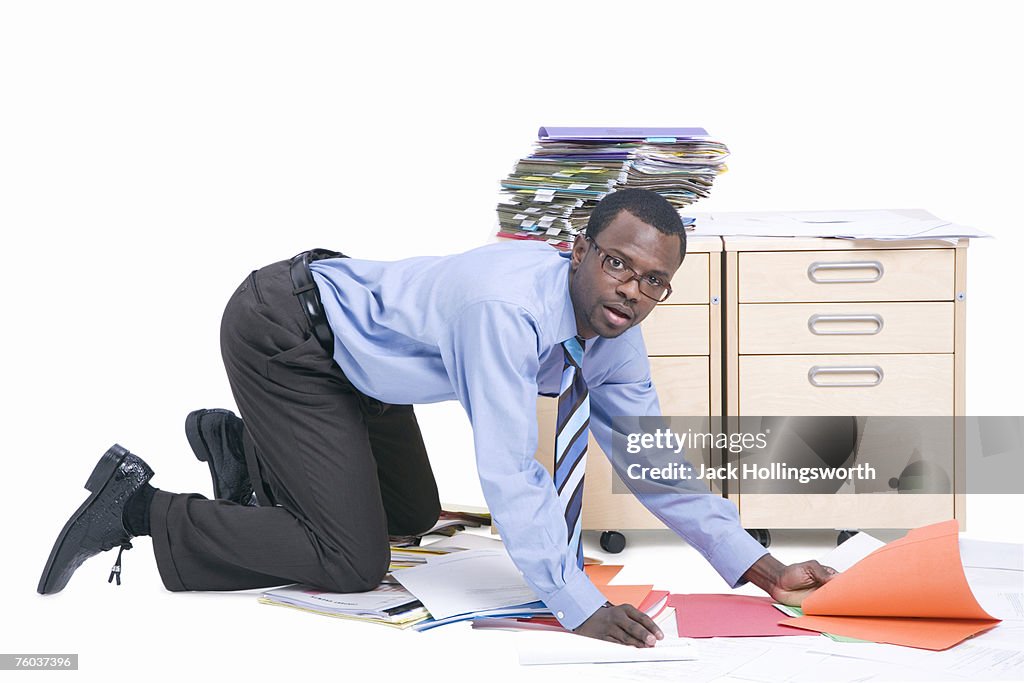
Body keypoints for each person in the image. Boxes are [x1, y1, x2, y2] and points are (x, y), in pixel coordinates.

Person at [38, 188, 835, 647]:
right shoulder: (505, 308)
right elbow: (508, 466)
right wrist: (576, 602)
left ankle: (252, 454)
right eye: (618, 263)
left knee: (411, 516)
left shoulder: (612, 332)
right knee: (349, 560)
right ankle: (140, 507)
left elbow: (652, 460)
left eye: (653, 280)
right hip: (287, 333)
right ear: (580, 251)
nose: (632, 289)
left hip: (363, 363)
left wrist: (760, 567)